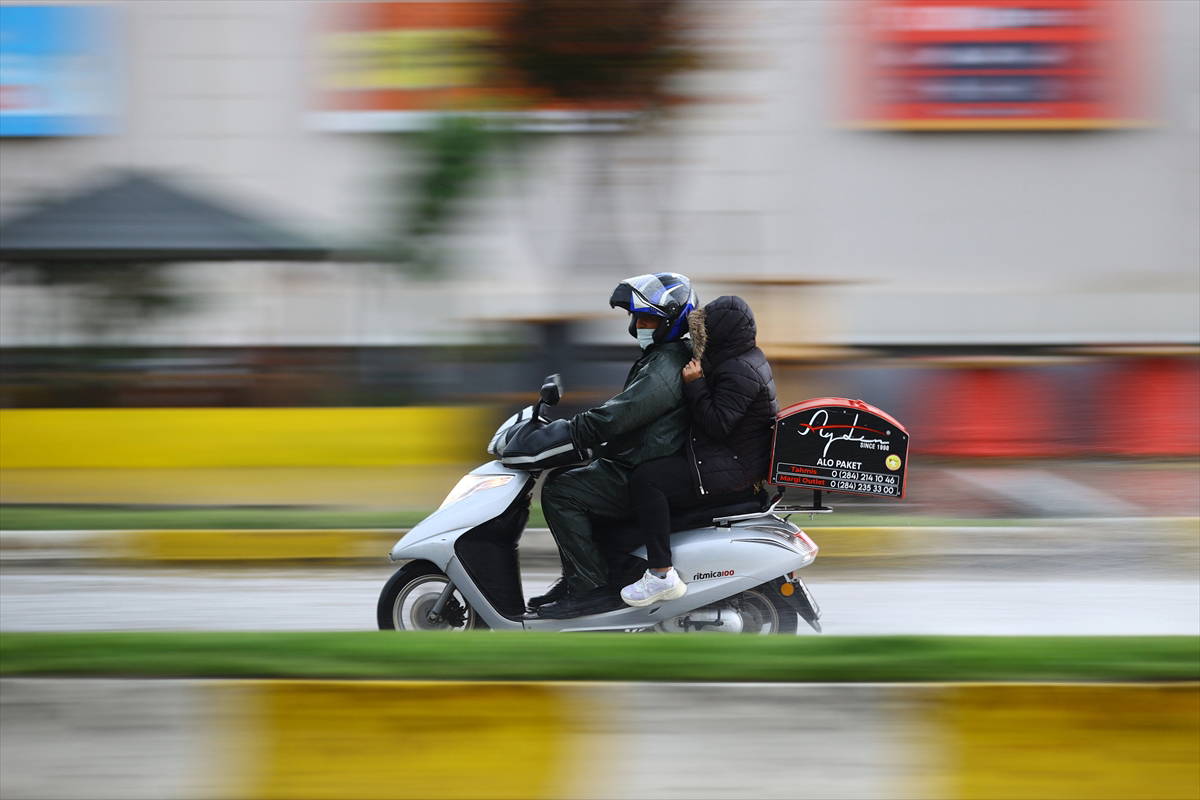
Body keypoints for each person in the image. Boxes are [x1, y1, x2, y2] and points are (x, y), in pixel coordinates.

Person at [529, 273, 697, 618]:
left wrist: (568, 432)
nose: (638, 325)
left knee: (561, 491)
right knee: (570, 477)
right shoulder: (663, 356)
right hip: (637, 457)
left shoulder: (665, 366)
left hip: (640, 465)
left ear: (672, 321)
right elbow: (625, 412)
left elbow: (617, 417)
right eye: (636, 318)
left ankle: (590, 589)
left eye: (648, 319)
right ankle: (580, 577)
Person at [619, 295, 779, 607]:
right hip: (734, 461)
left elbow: (718, 424)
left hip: (732, 471)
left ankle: (661, 574)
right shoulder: (742, 359)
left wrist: (695, 384)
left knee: (647, 479)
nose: (696, 338)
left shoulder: (739, 370)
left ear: (719, 333)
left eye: (702, 332)